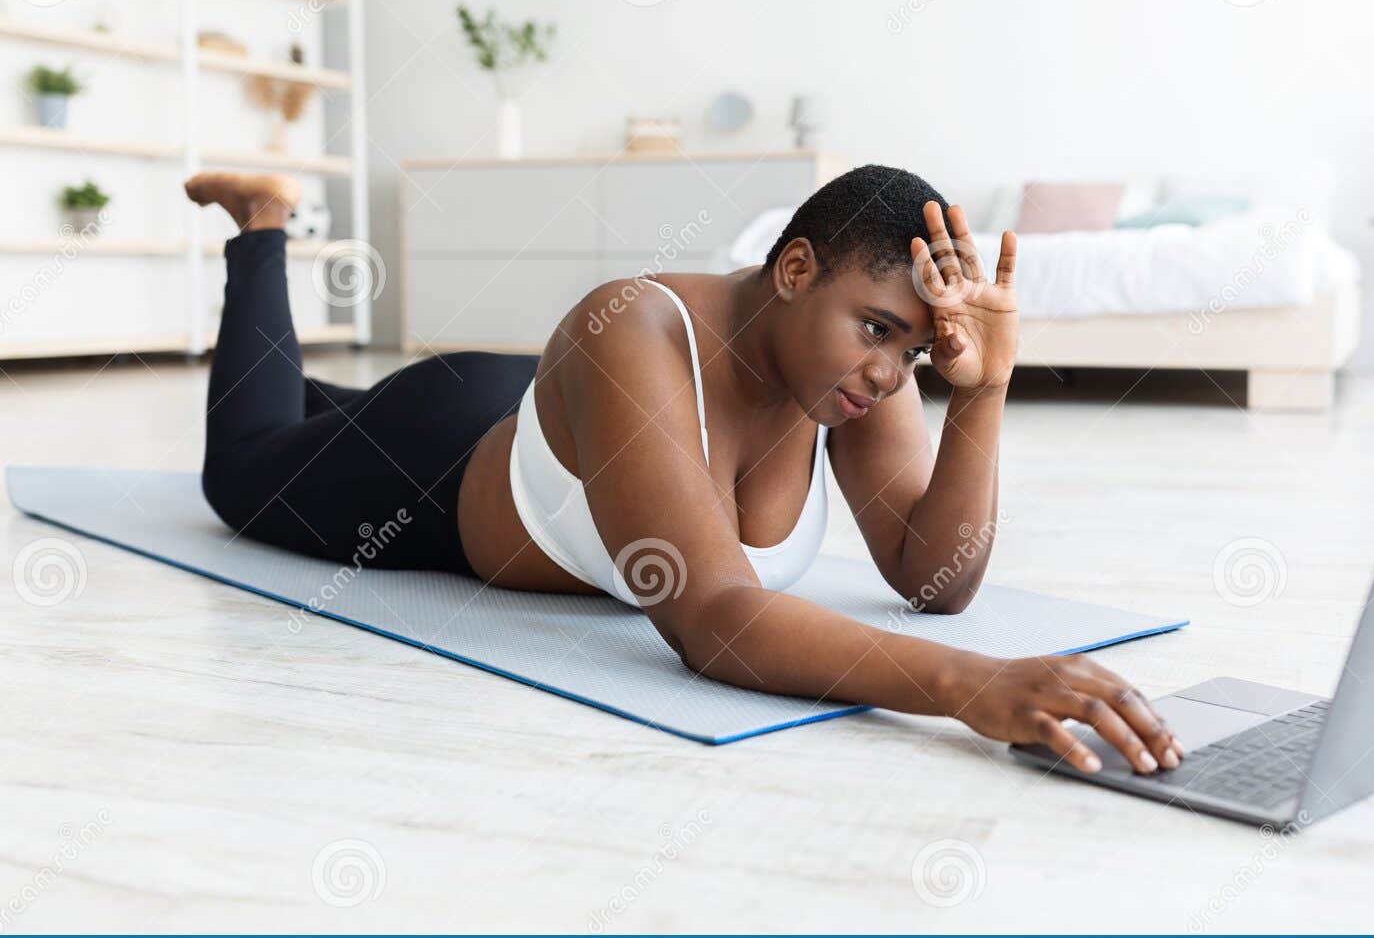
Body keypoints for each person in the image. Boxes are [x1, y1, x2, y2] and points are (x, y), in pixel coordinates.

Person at [187, 164, 1184, 776]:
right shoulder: (635, 319)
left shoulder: (852, 374)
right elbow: (713, 615)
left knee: (317, 413)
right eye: (878, 330)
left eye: (914, 352)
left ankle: (324, 388)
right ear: (795, 270)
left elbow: (935, 578)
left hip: (574, 418)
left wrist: (980, 391)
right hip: (432, 462)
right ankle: (264, 225)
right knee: (240, 470)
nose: (890, 371)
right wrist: (971, 689)